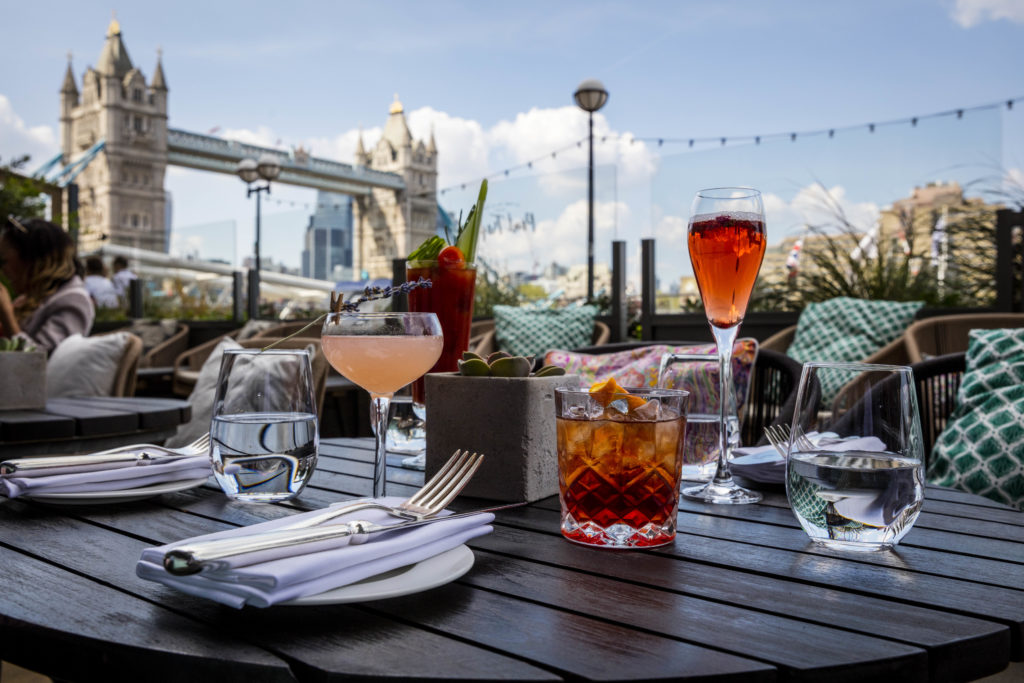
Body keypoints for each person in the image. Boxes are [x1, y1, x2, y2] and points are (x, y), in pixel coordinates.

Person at [0, 216, 95, 353]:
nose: (3, 271)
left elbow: (41, 360)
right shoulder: (32, 298)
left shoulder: (74, 300)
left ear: (33, 260)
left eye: (4, 262)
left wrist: (6, 313)